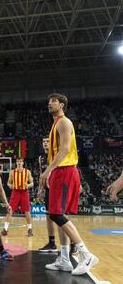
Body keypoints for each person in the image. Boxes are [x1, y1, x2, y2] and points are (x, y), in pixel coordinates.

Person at [40, 93, 98, 275]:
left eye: (54, 101)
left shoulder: (64, 122)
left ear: (62, 105)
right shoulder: (55, 123)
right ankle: (65, 259)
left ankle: (85, 254)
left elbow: (65, 149)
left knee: (57, 214)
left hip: (64, 171)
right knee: (56, 214)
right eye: (49, 101)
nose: (50, 103)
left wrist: (48, 170)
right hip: (60, 171)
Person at [1, 157, 34, 237]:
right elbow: (8, 183)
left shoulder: (27, 172)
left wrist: (28, 185)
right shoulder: (12, 172)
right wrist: (10, 186)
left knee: (27, 211)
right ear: (16, 163)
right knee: (10, 210)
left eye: (21, 161)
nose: (19, 163)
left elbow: (32, 183)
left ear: (23, 163)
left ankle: (30, 229)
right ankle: (5, 229)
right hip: (15, 192)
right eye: (18, 161)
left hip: (24, 192)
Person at [37, 136, 57, 252]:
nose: (45, 143)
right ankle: (52, 242)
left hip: (57, 188)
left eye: (48, 141)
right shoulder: (41, 158)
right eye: (44, 141)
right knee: (48, 216)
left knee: (60, 216)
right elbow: (41, 174)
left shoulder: (55, 155)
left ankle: (73, 243)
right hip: (48, 190)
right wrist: (40, 189)